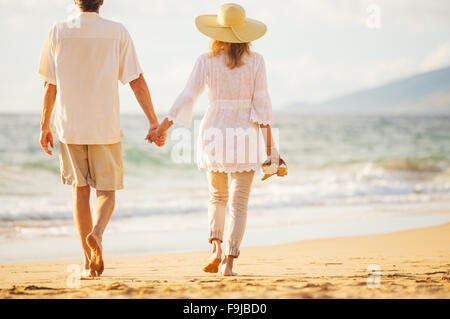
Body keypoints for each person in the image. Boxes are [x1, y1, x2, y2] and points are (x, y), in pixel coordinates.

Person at [150, 3, 281, 276]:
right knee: (239, 201)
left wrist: (164, 125)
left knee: (216, 197)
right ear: (245, 33)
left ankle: (215, 248)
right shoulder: (256, 61)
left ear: (217, 32)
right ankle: (229, 263)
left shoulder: (205, 60)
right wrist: (271, 148)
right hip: (245, 133)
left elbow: (188, 96)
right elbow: (262, 106)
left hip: (213, 132)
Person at [38, 0, 165, 277]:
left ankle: (87, 262)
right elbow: (136, 79)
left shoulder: (57, 31)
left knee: (80, 192)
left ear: (75, 1)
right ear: (102, 2)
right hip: (105, 126)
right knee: (106, 193)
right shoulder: (118, 32)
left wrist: (44, 125)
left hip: (69, 127)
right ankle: (96, 234)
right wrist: (153, 121)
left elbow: (50, 84)